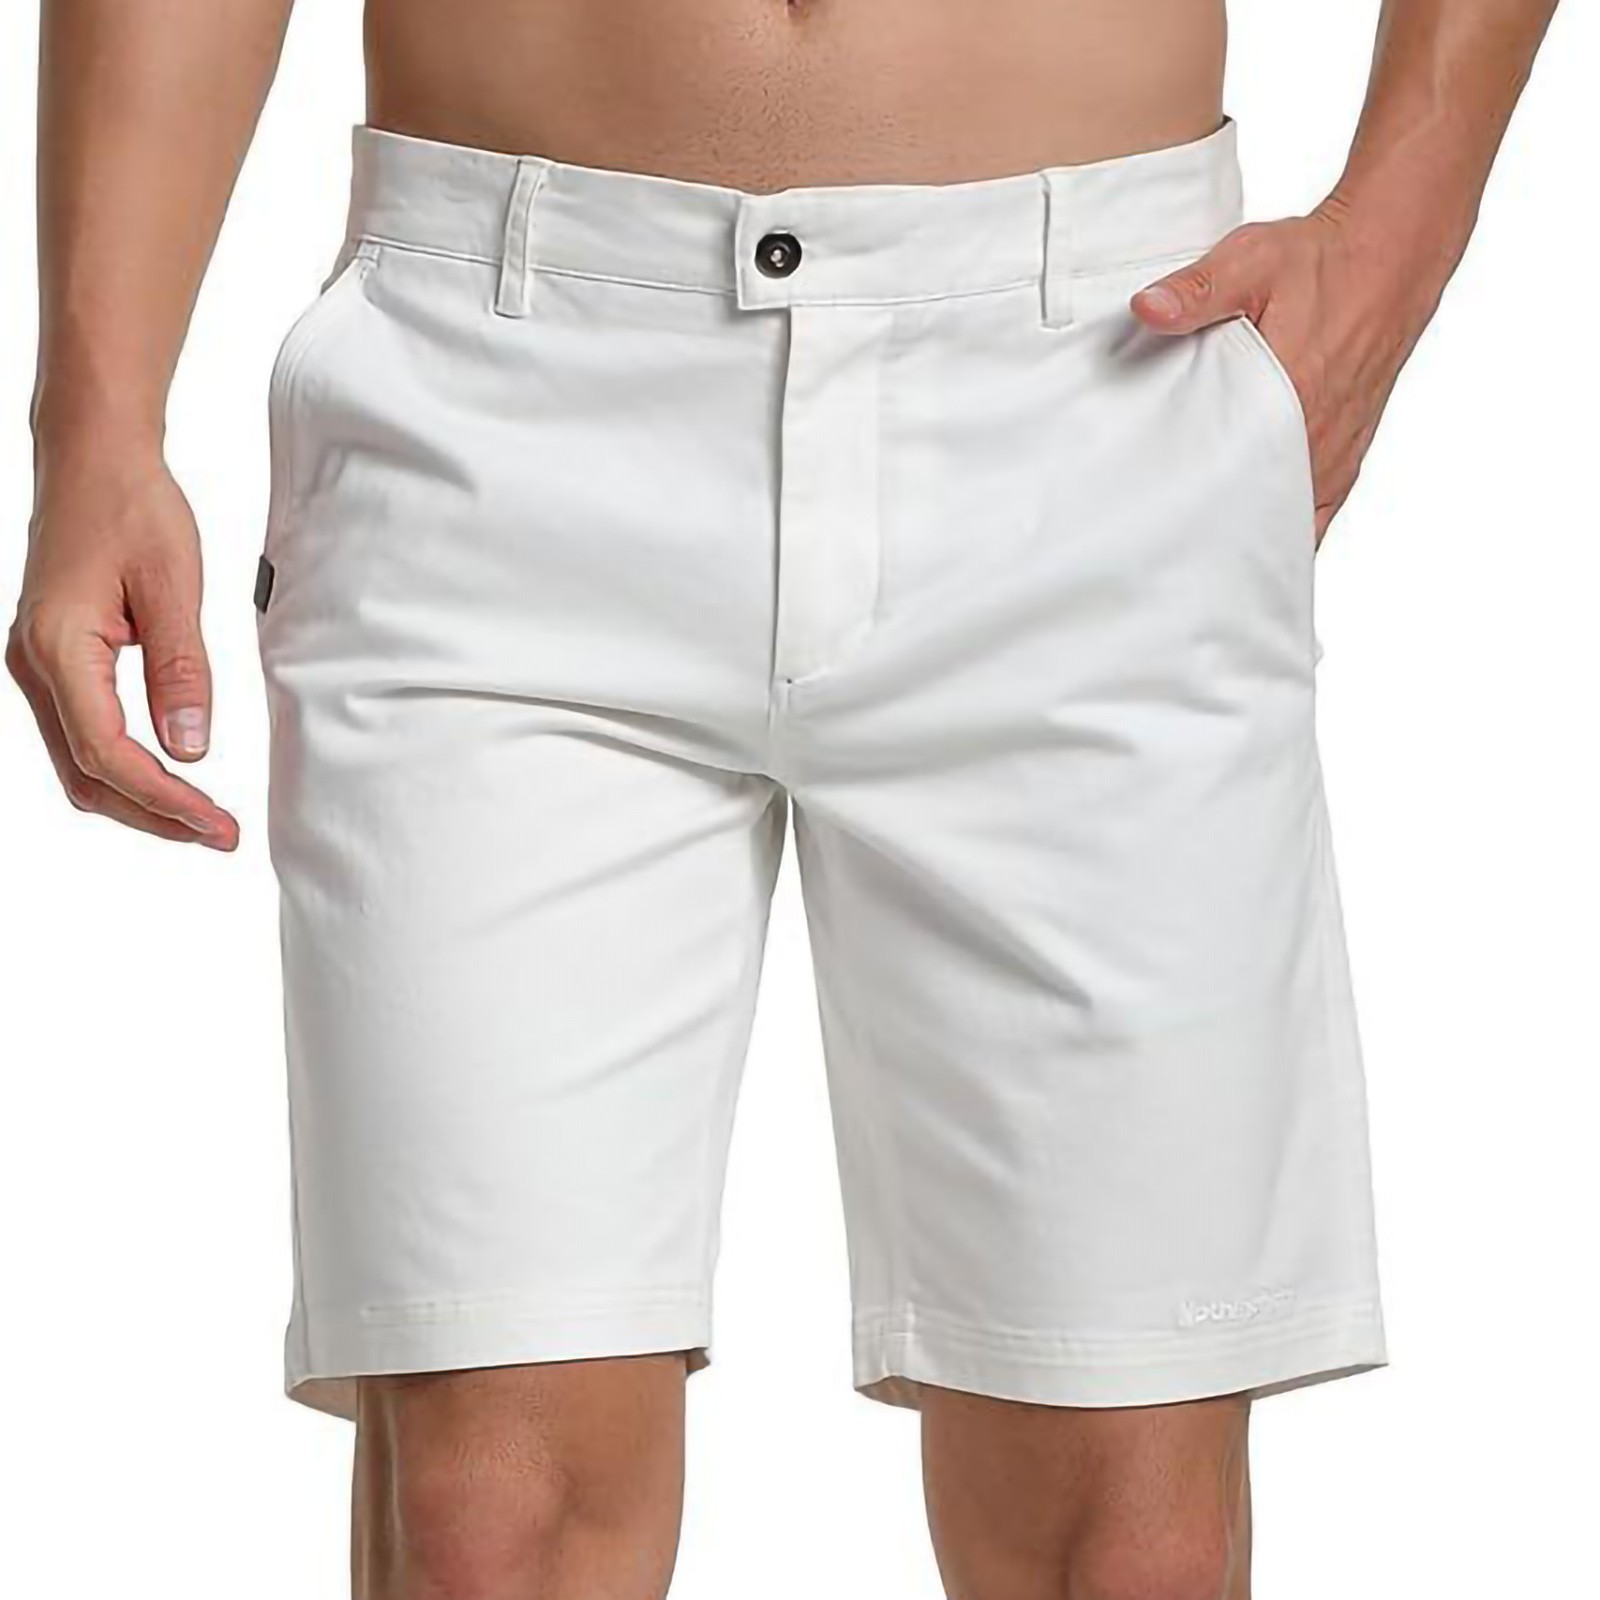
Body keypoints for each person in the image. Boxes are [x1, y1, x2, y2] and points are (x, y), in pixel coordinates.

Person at [9, 2, 1559, 1595]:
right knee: (484, 1525)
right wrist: (97, 421)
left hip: (1101, 375)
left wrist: (1401, 231)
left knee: (1130, 1545)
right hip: (502, 393)